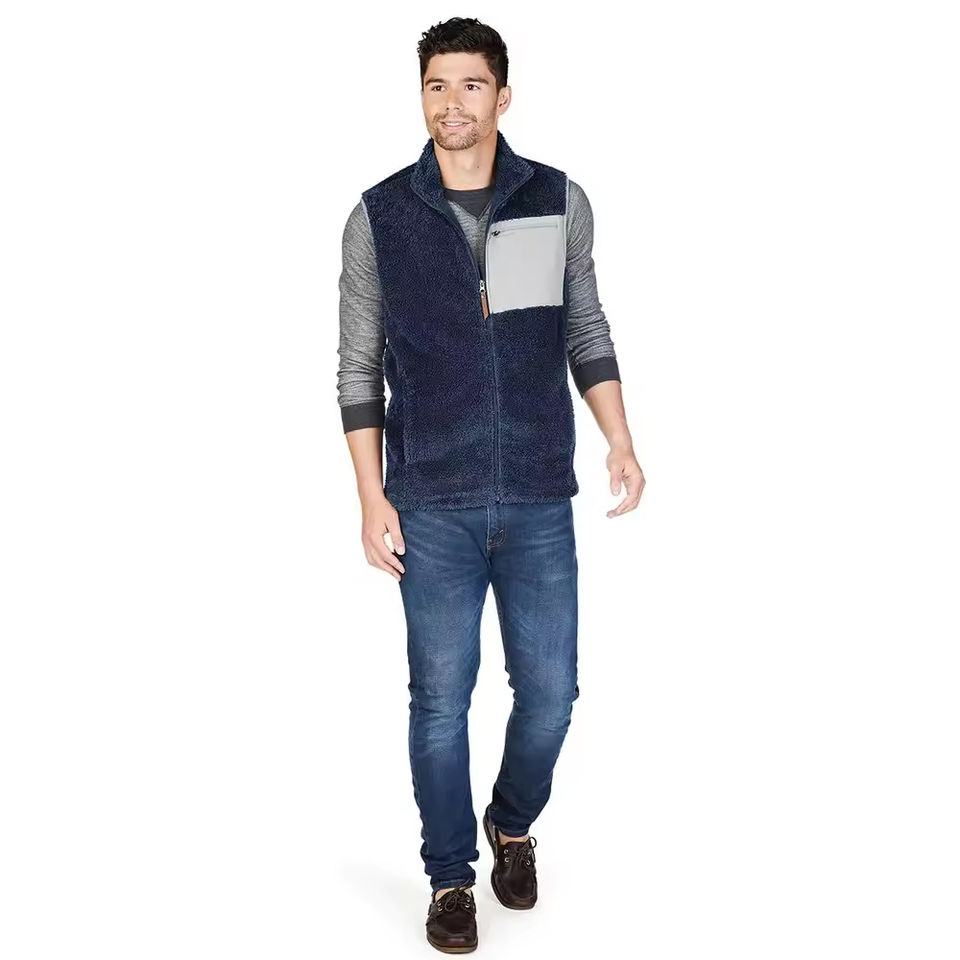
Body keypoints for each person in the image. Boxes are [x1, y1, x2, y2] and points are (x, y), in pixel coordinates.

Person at [337, 17, 645, 953]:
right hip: (430, 501)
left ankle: (510, 823)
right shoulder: (380, 217)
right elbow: (358, 369)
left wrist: (620, 438)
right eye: (437, 85)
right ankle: (449, 878)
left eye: (471, 85)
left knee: (552, 695)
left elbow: (584, 328)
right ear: (421, 97)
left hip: (539, 494)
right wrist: (370, 496)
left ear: (502, 96)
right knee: (439, 702)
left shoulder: (555, 200)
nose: (452, 103)